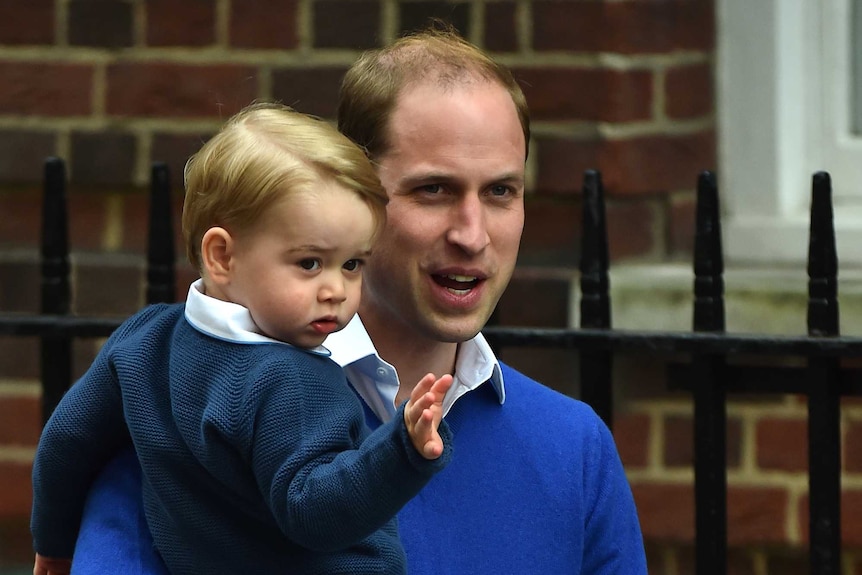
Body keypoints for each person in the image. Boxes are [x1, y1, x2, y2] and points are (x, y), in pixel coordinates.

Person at [68, 25, 648, 574]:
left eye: (500, 191)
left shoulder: (575, 449)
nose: (472, 234)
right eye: (434, 190)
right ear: (358, 194)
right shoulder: (183, 418)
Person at [30, 103, 456, 575]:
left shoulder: (145, 339)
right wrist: (402, 451)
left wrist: (53, 543)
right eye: (309, 263)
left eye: (353, 264)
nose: (336, 290)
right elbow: (316, 515)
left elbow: (67, 440)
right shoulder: (295, 381)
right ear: (222, 257)